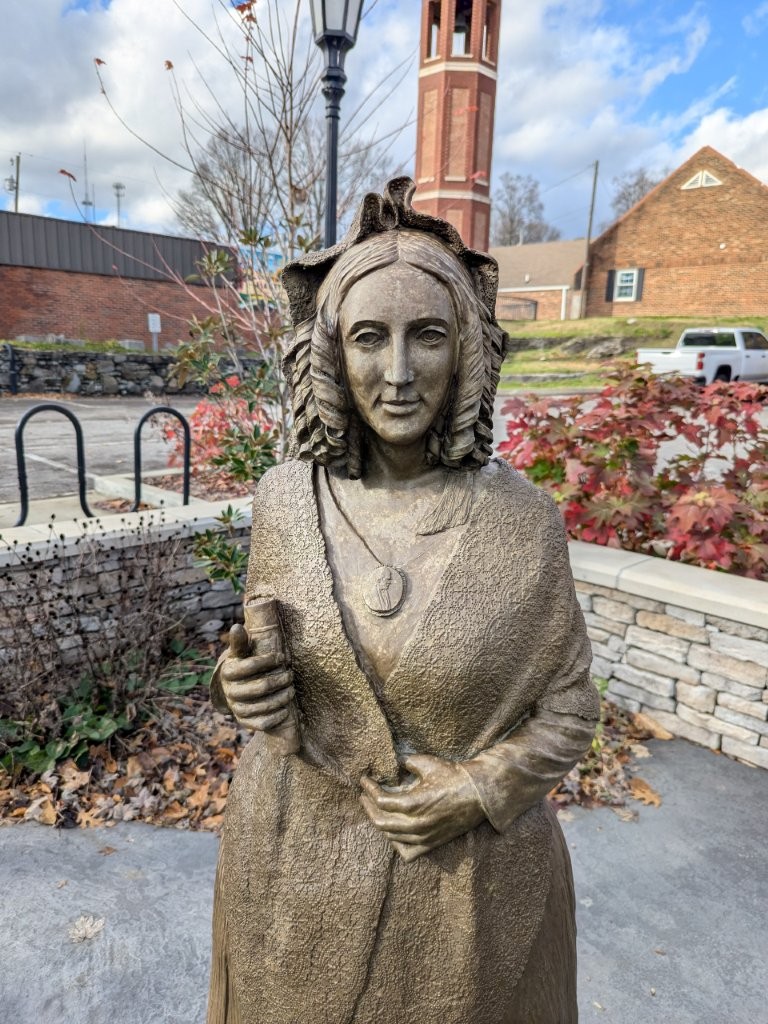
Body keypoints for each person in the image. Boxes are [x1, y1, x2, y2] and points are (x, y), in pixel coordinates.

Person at [207, 179, 600, 1024]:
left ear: (465, 348)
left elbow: (571, 710)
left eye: (426, 337)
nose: (396, 373)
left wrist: (477, 788)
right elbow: (259, 655)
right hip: (290, 873)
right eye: (367, 338)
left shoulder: (523, 525)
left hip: (466, 897)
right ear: (331, 355)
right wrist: (239, 684)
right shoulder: (285, 499)